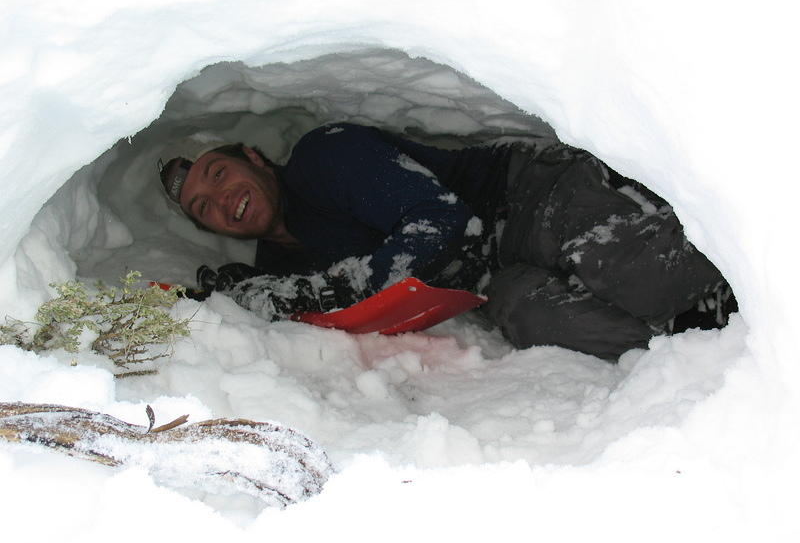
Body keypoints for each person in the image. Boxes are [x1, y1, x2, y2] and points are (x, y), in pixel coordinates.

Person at [158, 122, 735, 361]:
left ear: (254, 159)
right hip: (488, 276)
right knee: (542, 321)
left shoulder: (323, 157)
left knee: (623, 264)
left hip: (525, 197)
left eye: (218, 173)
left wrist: (339, 287)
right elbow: (288, 301)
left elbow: (440, 219)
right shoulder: (282, 259)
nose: (219, 198)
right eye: (203, 209)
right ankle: (693, 350)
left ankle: (738, 305)